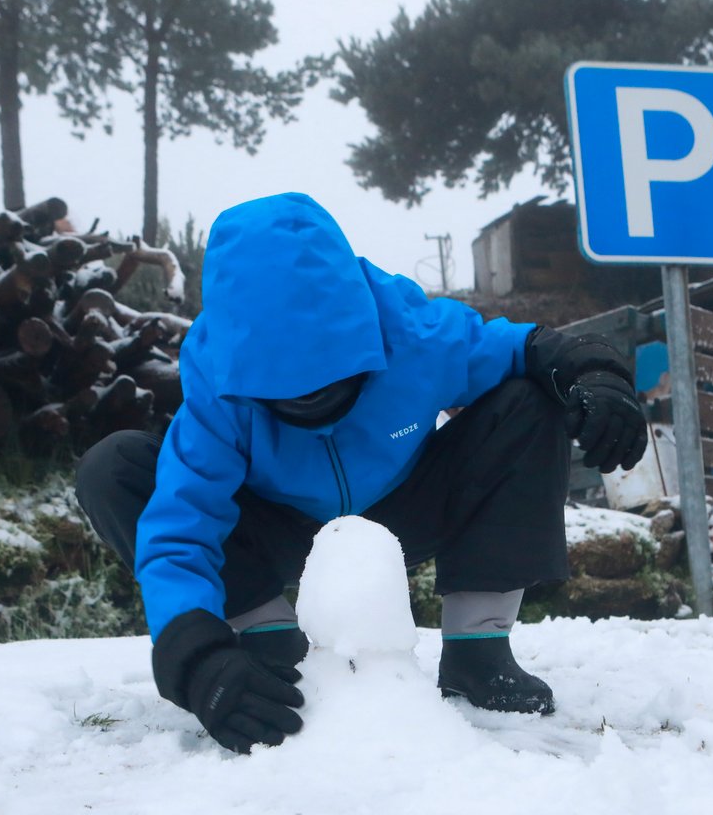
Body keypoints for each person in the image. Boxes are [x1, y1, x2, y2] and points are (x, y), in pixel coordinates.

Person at [75, 192, 647, 754]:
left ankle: (479, 651)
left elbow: (524, 348)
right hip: (279, 530)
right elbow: (182, 523)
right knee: (114, 467)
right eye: (288, 397)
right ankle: (268, 643)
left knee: (527, 400)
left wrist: (593, 370)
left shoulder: (415, 333)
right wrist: (194, 656)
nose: (313, 406)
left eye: (333, 385)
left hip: (404, 513)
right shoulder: (219, 386)